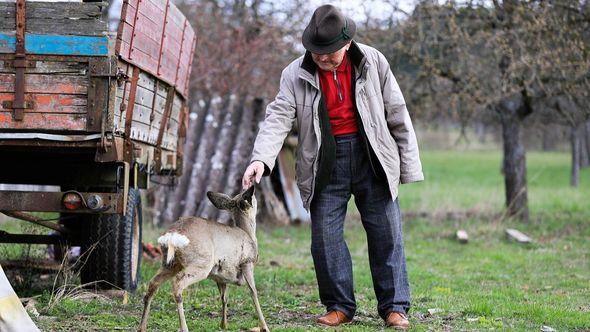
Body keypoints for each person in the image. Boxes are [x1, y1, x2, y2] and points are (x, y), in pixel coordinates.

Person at [242, 4, 423, 330]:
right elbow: (278, 118)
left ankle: (395, 308)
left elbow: (397, 113)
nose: (322, 59)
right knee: (324, 238)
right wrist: (261, 159)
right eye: (316, 52)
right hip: (324, 162)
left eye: (329, 53)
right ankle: (339, 306)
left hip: (373, 158)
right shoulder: (294, 74)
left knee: (387, 236)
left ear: (347, 44)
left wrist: (408, 167)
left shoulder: (373, 61)